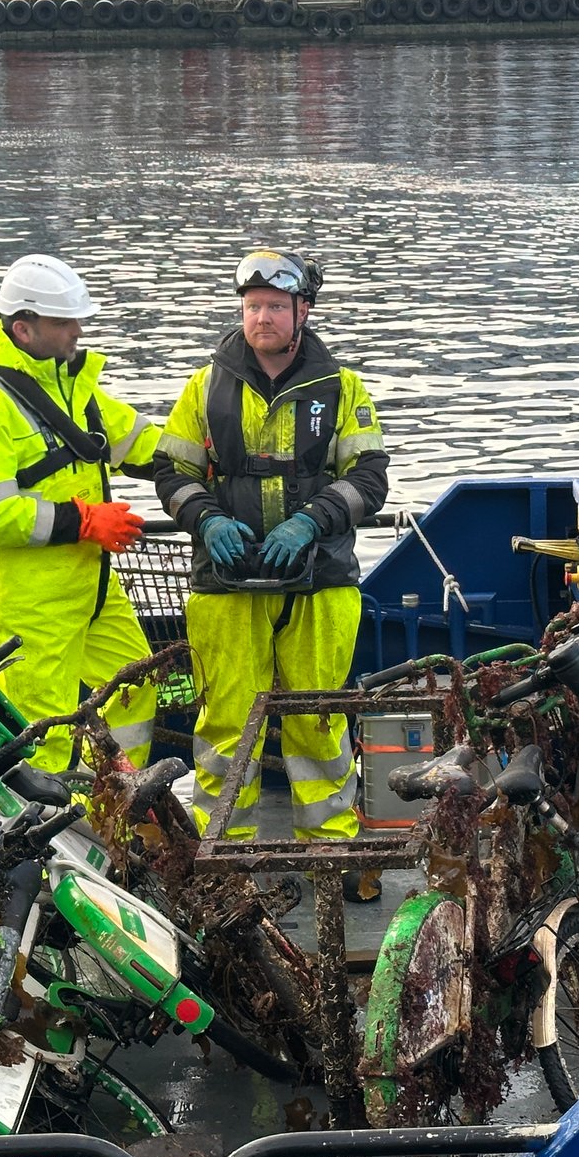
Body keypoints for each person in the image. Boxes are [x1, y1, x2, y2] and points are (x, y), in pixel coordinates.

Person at [152, 251, 389, 883]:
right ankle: (223, 861)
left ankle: (331, 856)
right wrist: (205, 518)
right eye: (253, 307)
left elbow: (369, 478)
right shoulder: (205, 386)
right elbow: (170, 471)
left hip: (319, 582)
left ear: (302, 313)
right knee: (227, 724)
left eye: (276, 308)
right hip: (225, 585)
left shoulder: (342, 387)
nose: (262, 318)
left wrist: (311, 521)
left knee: (317, 723)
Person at [0, 254, 165, 775]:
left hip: (91, 588)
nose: (77, 331)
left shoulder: (72, 385)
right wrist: (85, 520)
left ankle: (105, 809)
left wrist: (214, 458)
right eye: (64, 322)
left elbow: (139, 441)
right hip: (30, 608)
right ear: (24, 328)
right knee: (43, 739)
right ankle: (52, 853)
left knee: (134, 686)